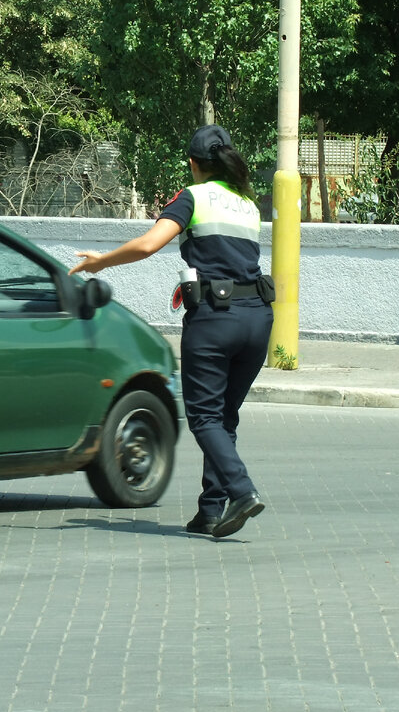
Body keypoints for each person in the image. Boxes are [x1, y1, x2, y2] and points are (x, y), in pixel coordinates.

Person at [69, 124, 273, 539]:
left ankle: (241, 491)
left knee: (203, 416)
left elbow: (149, 244)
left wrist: (100, 262)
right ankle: (211, 510)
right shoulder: (247, 203)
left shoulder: (193, 197)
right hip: (258, 318)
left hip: (216, 319)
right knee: (224, 416)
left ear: (194, 163)